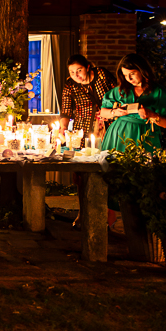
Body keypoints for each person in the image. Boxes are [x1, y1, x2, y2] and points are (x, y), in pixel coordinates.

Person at [59, 54, 118, 228]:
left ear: (88, 68)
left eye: (79, 70)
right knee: (81, 171)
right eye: (72, 72)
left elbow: (118, 95)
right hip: (82, 129)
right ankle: (83, 212)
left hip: (107, 127)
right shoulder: (70, 84)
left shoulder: (102, 75)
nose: (76, 75)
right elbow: (66, 110)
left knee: (105, 168)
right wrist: (62, 129)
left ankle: (107, 212)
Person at [100, 53, 166, 153]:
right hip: (118, 135)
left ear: (142, 70)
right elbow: (103, 112)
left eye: (132, 74)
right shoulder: (121, 90)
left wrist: (151, 114)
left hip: (145, 136)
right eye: (125, 75)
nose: (129, 79)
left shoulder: (158, 91)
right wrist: (114, 112)